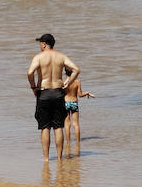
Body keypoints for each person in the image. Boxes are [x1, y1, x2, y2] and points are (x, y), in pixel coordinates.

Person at [28, 33, 80, 162]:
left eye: (40, 43)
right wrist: (68, 82)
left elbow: (30, 72)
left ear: (44, 44)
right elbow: (76, 69)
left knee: (45, 127)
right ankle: (59, 158)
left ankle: (46, 159)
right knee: (58, 126)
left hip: (44, 93)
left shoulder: (39, 57)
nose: (40, 45)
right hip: (58, 92)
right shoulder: (61, 56)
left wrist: (33, 87)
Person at [63, 71, 94, 158]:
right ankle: (78, 142)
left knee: (67, 124)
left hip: (65, 103)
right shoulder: (77, 82)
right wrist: (87, 93)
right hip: (74, 103)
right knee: (76, 124)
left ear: (65, 73)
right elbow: (80, 95)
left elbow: (60, 93)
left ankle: (68, 142)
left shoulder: (63, 83)